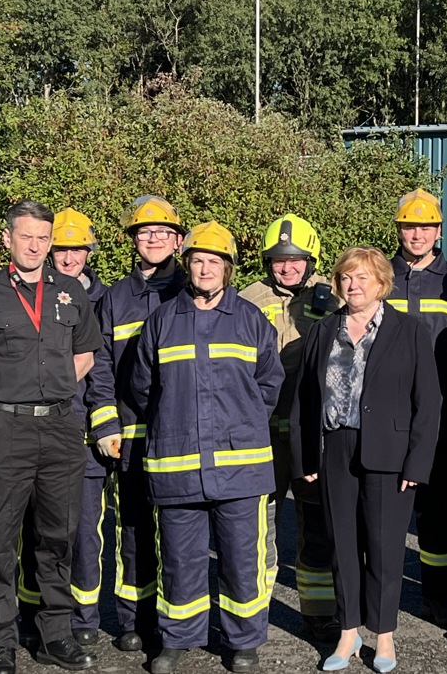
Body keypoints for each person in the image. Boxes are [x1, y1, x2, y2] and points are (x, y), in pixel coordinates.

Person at [0, 200, 103, 674]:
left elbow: (86, 354)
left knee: (58, 536)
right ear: (8, 239)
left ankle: (55, 635)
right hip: (4, 429)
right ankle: (1, 643)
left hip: (59, 427)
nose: (35, 245)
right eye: (26, 236)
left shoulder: (71, 292)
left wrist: (53, 393)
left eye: (43, 238)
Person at [127, 222, 283, 674]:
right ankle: (178, 638)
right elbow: (142, 389)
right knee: (179, 559)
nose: (205, 269)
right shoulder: (161, 322)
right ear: (187, 265)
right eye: (197, 261)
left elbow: (269, 386)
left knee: (241, 559)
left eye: (214, 262)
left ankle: (244, 641)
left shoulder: (252, 321)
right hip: (177, 466)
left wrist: (242, 424)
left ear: (228, 269)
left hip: (242, 467)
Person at [292, 246, 442, 673]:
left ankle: (385, 636)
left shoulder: (409, 331)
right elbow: (305, 398)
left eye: (361, 278)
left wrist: (417, 464)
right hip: (336, 449)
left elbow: (427, 402)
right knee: (342, 544)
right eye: (345, 278)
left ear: (381, 283)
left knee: (384, 547)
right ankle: (347, 632)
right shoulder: (323, 332)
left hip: (389, 454)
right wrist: (307, 455)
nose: (352, 285)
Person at [82, 195, 188, 653]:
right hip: (131, 431)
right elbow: (99, 363)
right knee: (133, 527)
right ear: (133, 240)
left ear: (179, 240)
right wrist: (106, 423)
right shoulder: (115, 298)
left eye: (163, 232)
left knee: (182, 532)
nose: (154, 239)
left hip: (182, 430)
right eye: (145, 233)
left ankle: (177, 621)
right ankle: (134, 618)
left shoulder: (195, 288)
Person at [239, 214, 342, 641]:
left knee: (316, 523)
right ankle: (252, 612)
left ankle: (319, 613)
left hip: (310, 434)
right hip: (261, 432)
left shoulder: (332, 299)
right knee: (256, 526)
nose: (287, 267)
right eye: (279, 260)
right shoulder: (246, 299)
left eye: (296, 259)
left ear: (311, 259)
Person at [16, 209, 111, 648]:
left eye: (78, 249)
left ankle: (82, 617)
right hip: (33, 428)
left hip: (84, 433)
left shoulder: (105, 299)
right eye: (63, 248)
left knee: (82, 530)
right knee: (34, 529)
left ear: (89, 252)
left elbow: (103, 369)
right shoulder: (26, 294)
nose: (69, 257)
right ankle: (32, 612)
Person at [386, 188, 447, 627]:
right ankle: (380, 595)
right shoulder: (380, 274)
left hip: (439, 415)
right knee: (385, 507)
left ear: (439, 230)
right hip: (385, 414)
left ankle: (439, 596)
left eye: (425, 226)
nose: (417, 233)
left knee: (438, 511)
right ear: (399, 230)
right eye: (409, 225)